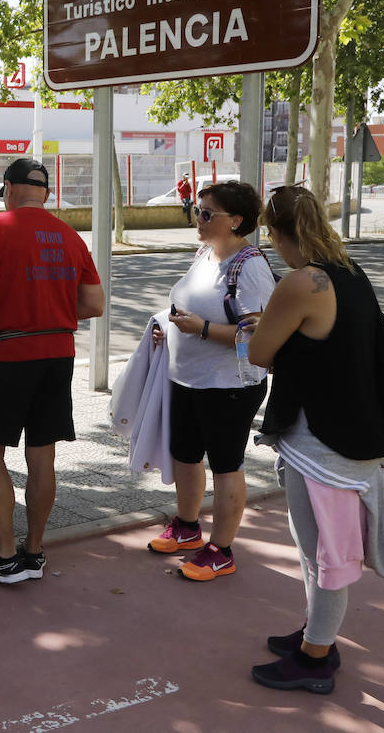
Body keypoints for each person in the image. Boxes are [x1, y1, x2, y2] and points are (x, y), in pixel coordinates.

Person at [244, 185, 384, 694]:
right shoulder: (350, 272)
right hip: (354, 432)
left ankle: (317, 657)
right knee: (318, 548)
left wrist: (260, 331)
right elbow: (328, 341)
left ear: (274, 232)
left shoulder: (302, 281)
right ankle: (316, 635)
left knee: (326, 555)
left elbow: (258, 353)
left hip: (325, 443)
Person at [0, 158, 104, 583]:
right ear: (44, 192)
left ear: (8, 187)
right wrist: (53, 310)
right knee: (43, 454)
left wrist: (12, 303)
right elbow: (94, 305)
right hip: (59, 354)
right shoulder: (70, 236)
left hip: (9, 354)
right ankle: (34, 551)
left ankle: (4, 556)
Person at [147, 181, 272, 580]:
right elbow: (189, 305)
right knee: (185, 455)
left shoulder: (250, 266)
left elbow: (257, 333)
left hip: (229, 385)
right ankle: (187, 529)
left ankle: (222, 550)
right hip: (188, 378)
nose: (196, 219)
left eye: (206, 213)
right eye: (195, 211)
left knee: (225, 465)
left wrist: (200, 329)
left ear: (235, 221)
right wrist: (167, 329)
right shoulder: (204, 253)